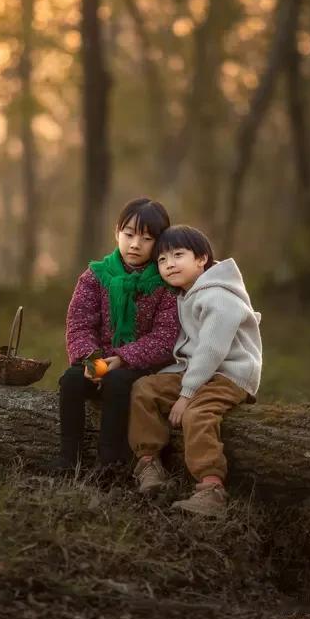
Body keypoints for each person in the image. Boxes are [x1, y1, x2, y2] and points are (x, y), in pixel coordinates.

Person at [128, 225, 262, 517]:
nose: (169, 264)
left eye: (178, 255)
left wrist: (187, 394)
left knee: (197, 414)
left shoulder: (219, 295)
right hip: (196, 371)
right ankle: (149, 464)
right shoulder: (184, 294)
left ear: (201, 259)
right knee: (145, 389)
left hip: (229, 374)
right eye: (162, 259)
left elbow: (212, 349)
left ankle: (211, 488)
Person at [49, 198, 180, 476]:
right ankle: (68, 458)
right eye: (129, 234)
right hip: (97, 360)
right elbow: (80, 324)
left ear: (160, 243)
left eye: (146, 239)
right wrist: (92, 360)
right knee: (71, 380)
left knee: (118, 382)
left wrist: (122, 359)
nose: (135, 244)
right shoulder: (95, 276)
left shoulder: (166, 283)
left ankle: (110, 462)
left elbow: (165, 337)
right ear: (117, 233)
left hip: (142, 365)